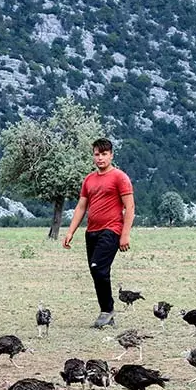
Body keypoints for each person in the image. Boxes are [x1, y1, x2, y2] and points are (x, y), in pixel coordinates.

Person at [62, 138, 135, 328]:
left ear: (111, 155)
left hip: (112, 230)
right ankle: (108, 313)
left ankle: (107, 310)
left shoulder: (120, 177)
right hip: (91, 232)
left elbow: (130, 206)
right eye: (97, 154)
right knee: (97, 273)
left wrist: (125, 235)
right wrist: (71, 232)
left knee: (97, 268)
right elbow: (81, 207)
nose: (100, 158)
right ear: (93, 156)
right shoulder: (89, 179)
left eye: (104, 154)